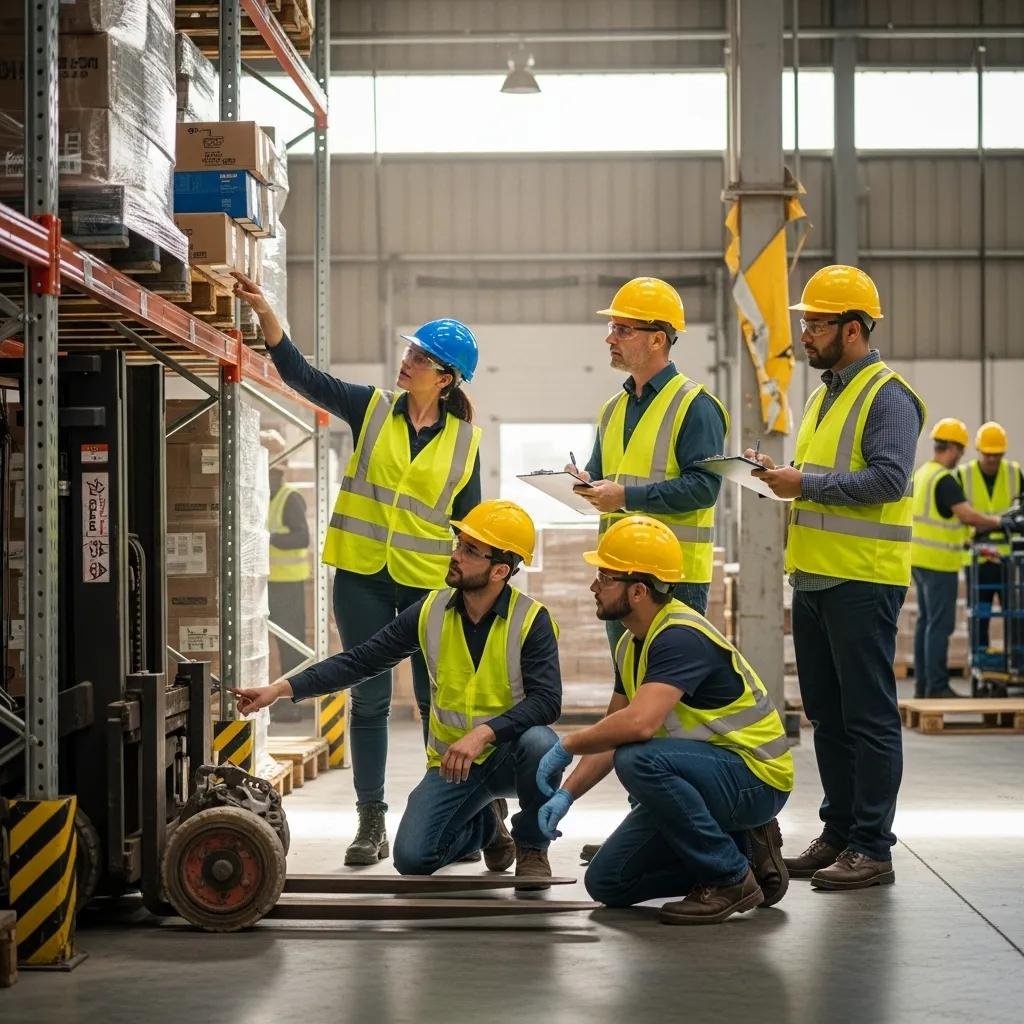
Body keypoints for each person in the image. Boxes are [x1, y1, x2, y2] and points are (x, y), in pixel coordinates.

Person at [232, 271, 482, 866]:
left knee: (434, 699)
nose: (407, 361)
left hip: (427, 585)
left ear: (446, 380)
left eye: (421, 358)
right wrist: (267, 311)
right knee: (368, 699)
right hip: (363, 576)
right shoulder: (371, 407)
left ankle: (446, 815)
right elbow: (300, 375)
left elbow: (471, 527)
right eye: (410, 351)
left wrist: (480, 590)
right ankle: (371, 822)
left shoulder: (466, 442)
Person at [232, 500, 562, 884]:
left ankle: (533, 846)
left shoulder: (531, 621)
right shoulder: (431, 611)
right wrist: (281, 689)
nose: (455, 555)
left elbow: (547, 702)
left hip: (508, 755)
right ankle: (487, 829)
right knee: (413, 858)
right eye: (458, 543)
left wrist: (484, 734)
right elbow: (362, 660)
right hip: (455, 764)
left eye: (470, 550)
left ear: (500, 570)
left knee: (542, 744)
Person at [750, 264, 925, 891]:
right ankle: (841, 832)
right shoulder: (825, 393)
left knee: (870, 717)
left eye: (816, 323)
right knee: (826, 714)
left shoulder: (888, 395)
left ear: (852, 329)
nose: (805, 334)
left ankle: (872, 846)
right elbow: (822, 474)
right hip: (816, 580)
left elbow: (888, 480)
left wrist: (806, 484)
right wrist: (783, 475)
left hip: (862, 581)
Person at [534, 516, 793, 925]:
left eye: (605, 576)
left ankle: (728, 876)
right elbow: (611, 732)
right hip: (704, 779)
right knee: (608, 883)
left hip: (754, 779)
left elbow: (637, 727)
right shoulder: (631, 645)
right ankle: (742, 852)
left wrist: (566, 744)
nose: (594, 586)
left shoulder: (679, 637)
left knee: (638, 758)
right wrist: (566, 796)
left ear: (637, 591)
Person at [569, 277, 727, 635]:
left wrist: (624, 497)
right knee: (627, 682)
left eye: (623, 330)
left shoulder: (695, 406)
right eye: (612, 328)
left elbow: (703, 488)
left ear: (657, 339)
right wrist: (582, 481)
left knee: (670, 685)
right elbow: (601, 475)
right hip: (617, 571)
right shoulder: (613, 409)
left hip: (672, 578)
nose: (610, 338)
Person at [910, 418, 1002, 699]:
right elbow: (967, 515)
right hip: (940, 563)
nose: (961, 456)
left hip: (919, 560)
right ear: (952, 447)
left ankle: (924, 687)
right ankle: (937, 687)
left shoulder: (923, 473)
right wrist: (999, 521)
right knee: (940, 625)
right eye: (961, 450)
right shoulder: (944, 479)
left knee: (926, 623)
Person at [957, 422, 1023, 656]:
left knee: (1014, 613)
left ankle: (1016, 658)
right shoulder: (964, 475)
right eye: (988, 454)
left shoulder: (1015, 473)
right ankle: (982, 658)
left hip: (1009, 558)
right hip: (978, 557)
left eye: (997, 454)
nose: (992, 459)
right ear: (978, 450)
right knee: (980, 613)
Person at [261, 429, 312, 680]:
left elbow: (302, 537)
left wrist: (267, 538)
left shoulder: (289, 498)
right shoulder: (261, 499)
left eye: (273, 473)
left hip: (288, 584)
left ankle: (294, 700)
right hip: (266, 583)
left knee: (291, 641)